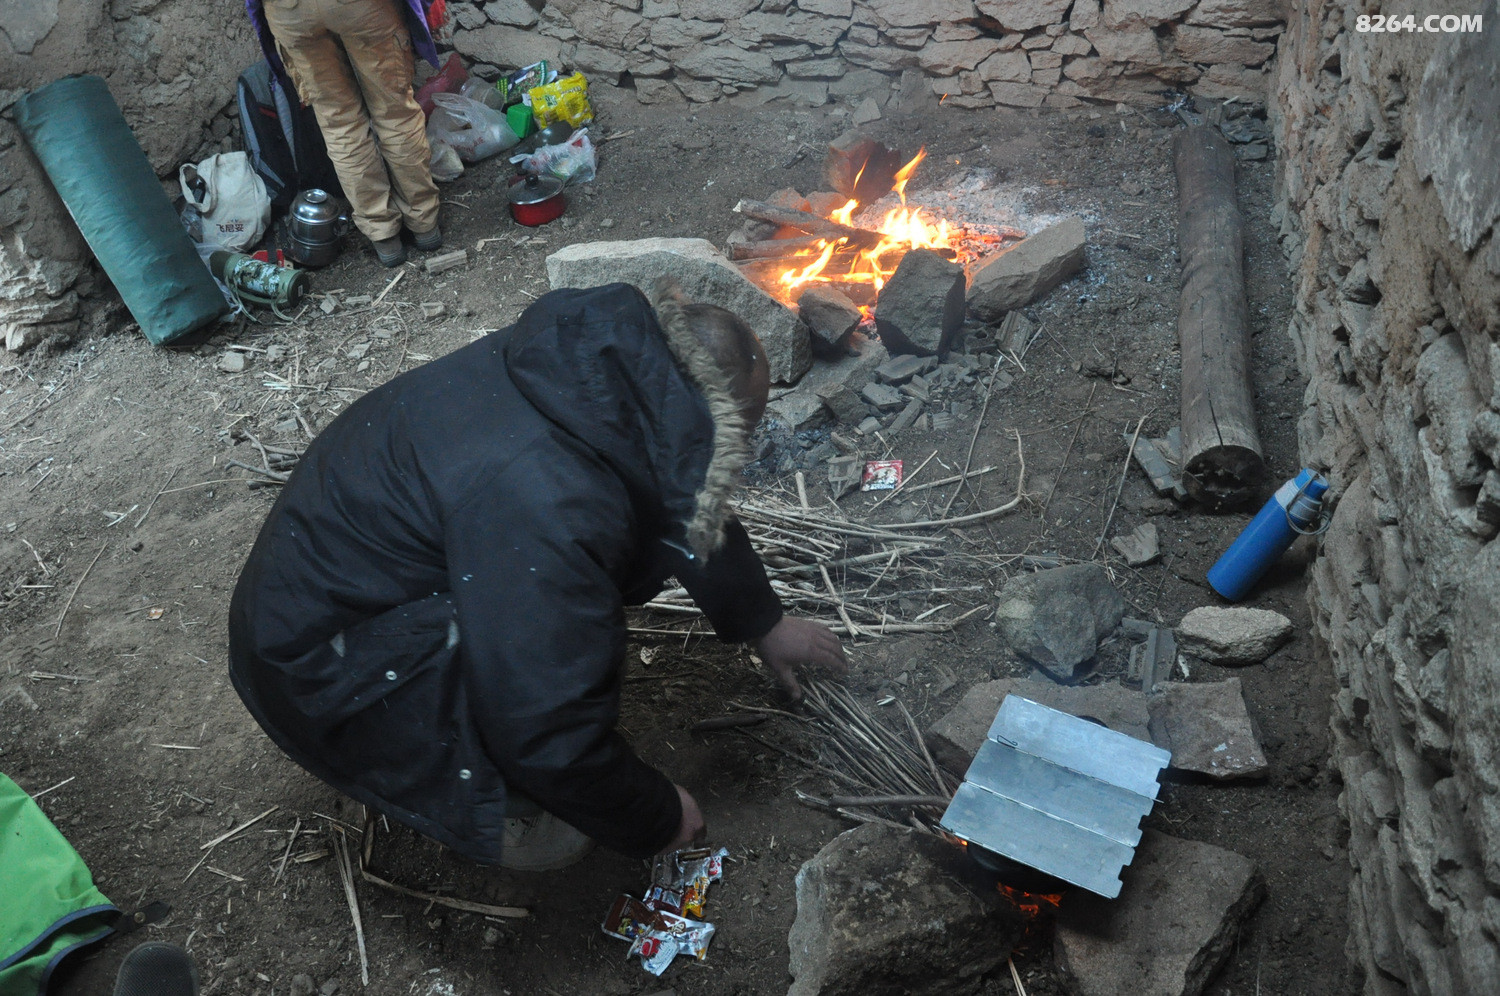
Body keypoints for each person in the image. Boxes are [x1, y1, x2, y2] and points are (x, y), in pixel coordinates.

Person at [228, 281, 848, 871]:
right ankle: (486, 803)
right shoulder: (555, 503)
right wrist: (651, 816)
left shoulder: (589, 365)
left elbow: (682, 483)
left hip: (330, 589)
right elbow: (543, 728)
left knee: (549, 623)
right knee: (561, 831)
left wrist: (760, 619)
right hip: (314, 668)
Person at [245, 0, 444, 267]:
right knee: (394, 114)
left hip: (290, 12)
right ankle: (424, 224)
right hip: (360, 8)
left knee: (340, 124)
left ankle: (383, 234)